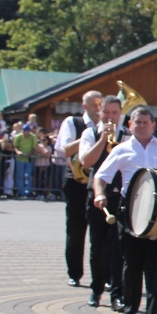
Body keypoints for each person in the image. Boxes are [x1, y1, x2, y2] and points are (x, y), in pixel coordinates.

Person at [92, 107, 157, 314]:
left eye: (145, 122)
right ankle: (130, 309)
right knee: (131, 264)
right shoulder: (122, 149)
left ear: (153, 125)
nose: (141, 126)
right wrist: (100, 193)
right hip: (131, 211)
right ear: (130, 125)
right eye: (137, 122)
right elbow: (100, 176)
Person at [77, 96, 127, 310]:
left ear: (120, 113)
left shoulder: (127, 135)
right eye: (106, 112)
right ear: (99, 112)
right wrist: (103, 139)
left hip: (120, 196)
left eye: (114, 113)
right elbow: (86, 161)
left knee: (118, 249)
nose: (110, 117)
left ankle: (117, 294)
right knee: (97, 248)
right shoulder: (90, 133)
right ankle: (96, 289)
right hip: (97, 196)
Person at [56, 90, 102, 286]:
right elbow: (65, 149)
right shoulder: (72, 123)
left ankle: (103, 277)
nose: (97, 109)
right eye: (93, 105)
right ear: (84, 106)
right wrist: (88, 136)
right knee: (76, 230)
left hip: (98, 183)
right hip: (76, 182)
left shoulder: (108, 126)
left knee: (101, 233)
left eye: (100, 105)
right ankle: (74, 273)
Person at [12, 123, 38, 200]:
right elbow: (15, 147)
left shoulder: (33, 137)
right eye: (24, 131)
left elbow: (34, 147)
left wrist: (29, 153)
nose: (25, 133)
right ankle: (21, 192)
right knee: (20, 176)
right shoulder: (18, 136)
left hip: (29, 159)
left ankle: (28, 192)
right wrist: (18, 152)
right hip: (20, 159)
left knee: (28, 176)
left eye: (27, 131)